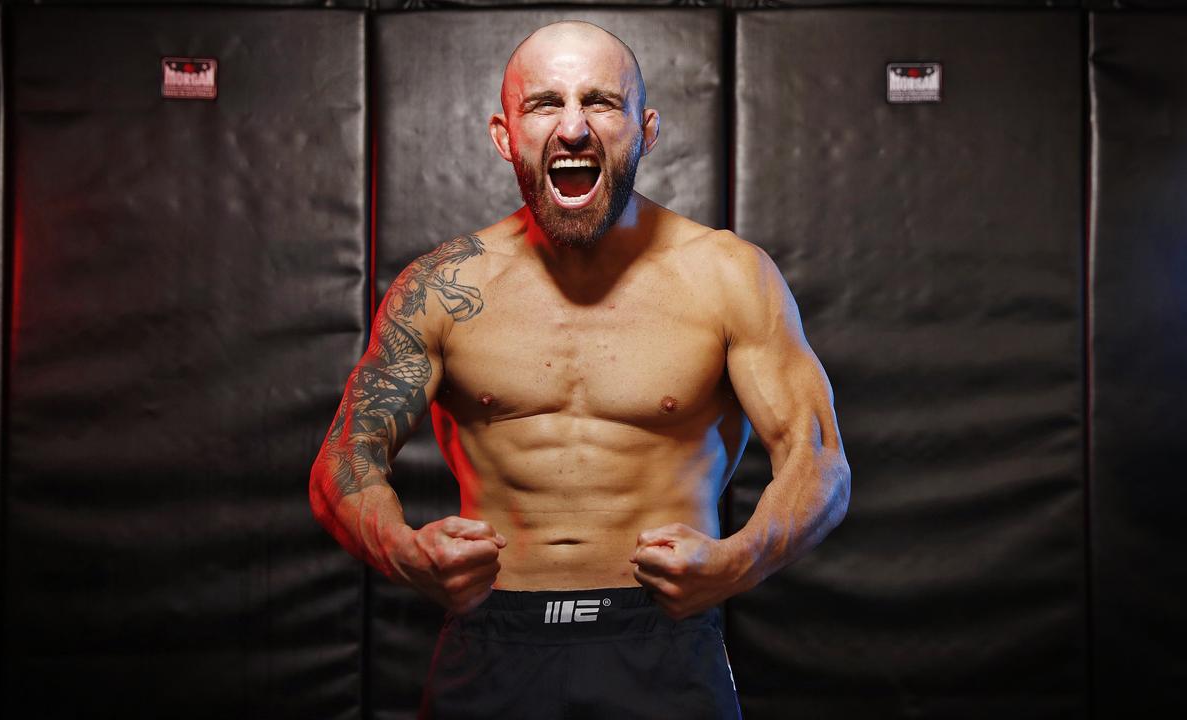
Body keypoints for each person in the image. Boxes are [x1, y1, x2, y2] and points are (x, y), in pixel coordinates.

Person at [309, 20, 850, 719]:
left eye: (600, 101)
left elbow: (820, 460)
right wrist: (405, 551)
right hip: (492, 641)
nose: (572, 128)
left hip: (663, 639)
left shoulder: (728, 276)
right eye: (544, 104)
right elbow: (341, 460)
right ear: (504, 136)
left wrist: (738, 561)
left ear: (645, 128)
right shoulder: (441, 286)